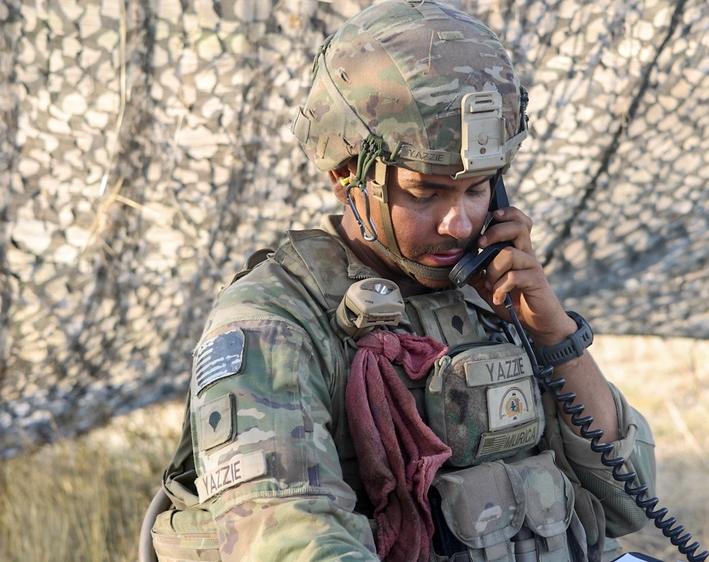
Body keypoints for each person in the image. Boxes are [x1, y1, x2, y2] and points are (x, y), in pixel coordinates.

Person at [151, 1, 656, 560]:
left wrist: (552, 332)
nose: (459, 223)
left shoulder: (494, 289)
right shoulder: (274, 323)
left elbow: (626, 507)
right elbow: (291, 538)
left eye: (478, 189)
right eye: (425, 192)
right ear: (346, 176)